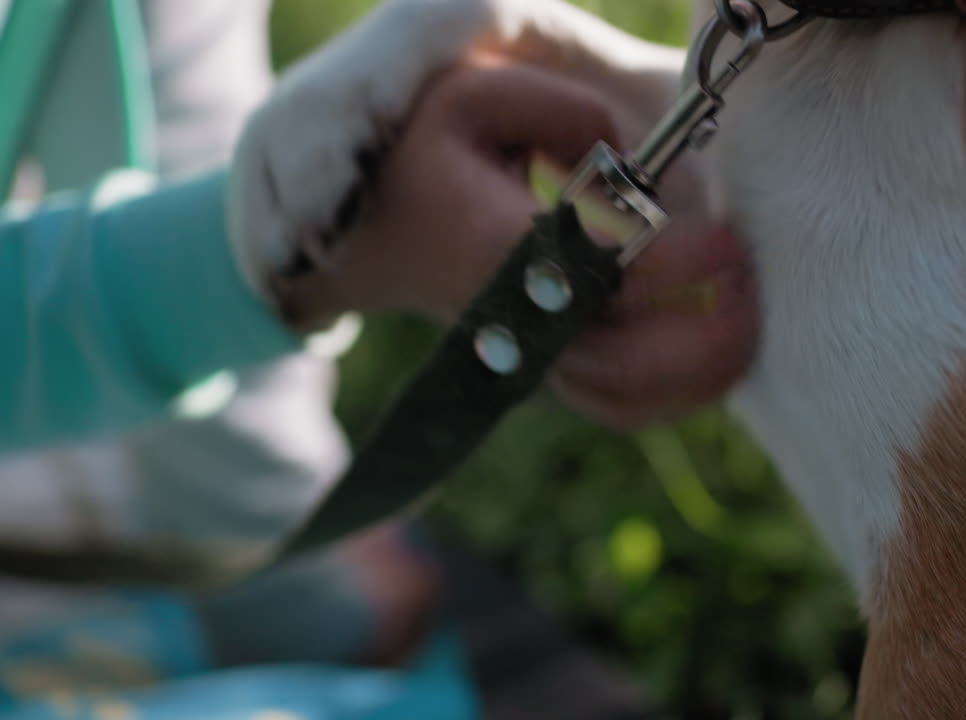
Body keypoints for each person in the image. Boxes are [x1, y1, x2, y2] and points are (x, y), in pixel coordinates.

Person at [0, 0, 758, 717]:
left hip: (123, 535)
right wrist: (288, 256)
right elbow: (227, 214)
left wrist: (268, 525)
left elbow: (194, 138)